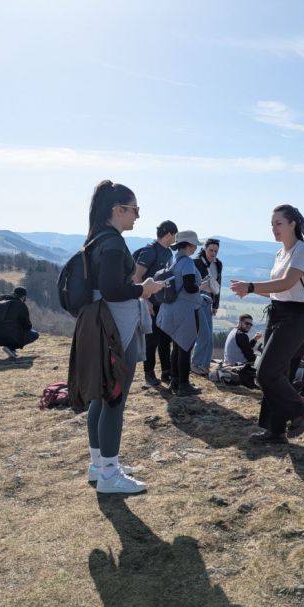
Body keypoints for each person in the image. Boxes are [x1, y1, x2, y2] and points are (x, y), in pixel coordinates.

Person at [79, 180, 164, 494]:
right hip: (118, 328)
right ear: (118, 210)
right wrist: (145, 289)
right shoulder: (113, 243)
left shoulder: (97, 238)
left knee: (100, 398)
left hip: (101, 325)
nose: (138, 215)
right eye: (134, 209)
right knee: (114, 399)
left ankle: (99, 465)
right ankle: (110, 476)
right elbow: (114, 290)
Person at [231, 205, 304, 444]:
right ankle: (275, 431)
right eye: (272, 224)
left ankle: (300, 409)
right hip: (277, 314)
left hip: (295, 318)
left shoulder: (303, 251)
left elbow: (286, 283)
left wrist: (251, 286)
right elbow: (277, 291)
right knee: (274, 373)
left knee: (266, 372)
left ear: (293, 224)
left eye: (278, 223)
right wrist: (250, 290)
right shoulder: (281, 253)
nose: (274, 228)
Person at [156, 231, 205, 396]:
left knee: (177, 347)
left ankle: (175, 382)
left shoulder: (172, 259)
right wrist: (202, 287)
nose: (196, 248)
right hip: (186, 310)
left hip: (171, 309)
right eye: (194, 245)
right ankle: (184, 384)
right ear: (189, 245)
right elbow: (190, 287)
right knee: (186, 347)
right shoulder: (188, 263)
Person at [133, 220, 178, 387]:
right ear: (169, 235)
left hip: (163, 303)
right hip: (150, 303)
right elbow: (137, 277)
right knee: (151, 340)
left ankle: (166, 372)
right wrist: (145, 301)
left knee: (165, 338)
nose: (175, 239)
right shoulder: (150, 251)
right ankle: (149, 373)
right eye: (175, 235)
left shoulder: (168, 252)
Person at [191, 238, 223, 376]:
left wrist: (216, 305)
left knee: (209, 336)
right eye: (211, 250)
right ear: (204, 249)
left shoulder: (218, 264)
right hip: (197, 299)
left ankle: (204, 365)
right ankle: (195, 364)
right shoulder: (196, 262)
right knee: (204, 334)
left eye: (216, 251)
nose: (213, 253)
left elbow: (218, 285)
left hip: (209, 299)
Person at [0, 286, 39, 359]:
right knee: (35, 334)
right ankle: (11, 347)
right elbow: (27, 326)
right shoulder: (21, 305)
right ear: (23, 297)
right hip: (10, 336)